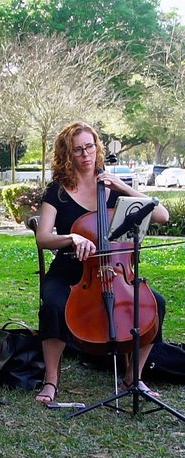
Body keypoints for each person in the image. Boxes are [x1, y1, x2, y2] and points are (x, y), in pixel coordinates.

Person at [34, 121, 169, 404]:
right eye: (78, 149)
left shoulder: (113, 187)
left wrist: (121, 185)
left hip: (115, 270)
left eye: (90, 147)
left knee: (155, 303)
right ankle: (51, 380)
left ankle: (135, 377)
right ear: (67, 154)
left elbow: (162, 216)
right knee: (54, 305)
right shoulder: (57, 191)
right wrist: (71, 237)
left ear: (97, 148)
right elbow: (43, 237)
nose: (85, 154)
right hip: (71, 270)